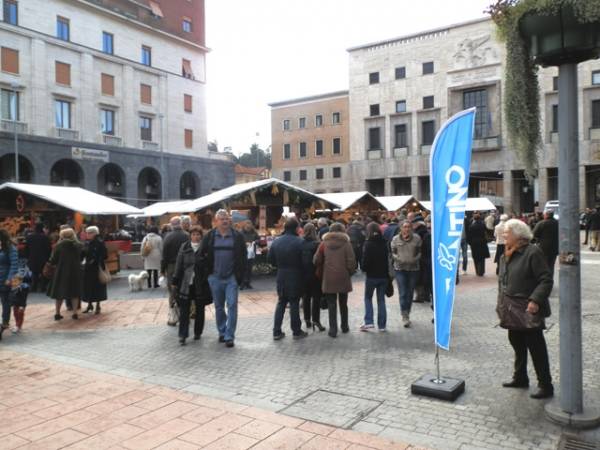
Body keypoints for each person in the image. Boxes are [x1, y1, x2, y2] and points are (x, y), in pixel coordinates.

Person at [497, 219, 554, 399]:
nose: (504, 235)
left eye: (507, 232)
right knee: (517, 344)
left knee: (536, 348)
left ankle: (546, 385)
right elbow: (503, 281)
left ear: (518, 235)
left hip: (528, 309)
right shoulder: (505, 254)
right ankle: (520, 377)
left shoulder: (533, 252)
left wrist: (535, 300)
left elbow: (546, 279)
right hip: (511, 309)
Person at [201, 209, 246, 348]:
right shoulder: (209, 236)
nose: (225, 221)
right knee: (219, 307)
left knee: (232, 305)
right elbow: (201, 254)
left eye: (226, 218)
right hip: (215, 277)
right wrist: (207, 273)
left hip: (231, 277)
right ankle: (222, 331)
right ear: (216, 221)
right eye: (222, 219)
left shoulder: (237, 236)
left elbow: (243, 257)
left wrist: (240, 276)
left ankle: (229, 335)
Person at [171, 225, 212, 346]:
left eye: (198, 234)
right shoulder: (184, 247)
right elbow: (179, 264)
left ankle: (198, 332)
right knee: (184, 310)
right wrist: (175, 281)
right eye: (193, 234)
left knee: (200, 309)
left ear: (201, 236)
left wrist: (206, 275)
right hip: (186, 283)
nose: (196, 237)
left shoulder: (205, 248)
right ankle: (183, 335)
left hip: (200, 283)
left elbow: (210, 264)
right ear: (190, 236)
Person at [314, 222, 356, 338]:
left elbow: (316, 260)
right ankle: (345, 326)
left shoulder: (323, 243)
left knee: (331, 304)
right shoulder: (347, 243)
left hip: (329, 278)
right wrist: (349, 273)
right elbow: (351, 262)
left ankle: (333, 330)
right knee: (343, 303)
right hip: (343, 277)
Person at [269, 218, 308, 340]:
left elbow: (270, 260)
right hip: (296, 275)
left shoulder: (276, 241)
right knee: (294, 303)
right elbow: (305, 262)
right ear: (296, 228)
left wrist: (279, 266)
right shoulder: (300, 242)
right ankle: (296, 331)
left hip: (281, 275)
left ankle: (276, 331)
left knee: (281, 302)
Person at [47, 228, 84, 320]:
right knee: (74, 292)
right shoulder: (79, 245)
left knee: (59, 293)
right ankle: (75, 313)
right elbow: (82, 258)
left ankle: (57, 313)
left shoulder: (58, 246)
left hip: (61, 271)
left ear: (62, 236)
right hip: (75, 271)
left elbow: (53, 260)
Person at [360, 222, 391, 332]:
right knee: (381, 300)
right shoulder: (384, 242)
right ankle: (382, 325)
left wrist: (363, 268)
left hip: (371, 276)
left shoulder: (368, 244)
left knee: (368, 298)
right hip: (383, 276)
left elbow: (365, 261)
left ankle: (368, 322)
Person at [391, 221, 422, 328]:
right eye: (404, 227)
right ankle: (404, 315)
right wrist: (398, 259)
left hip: (413, 269)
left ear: (411, 228)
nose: (407, 229)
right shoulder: (395, 239)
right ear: (401, 228)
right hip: (400, 269)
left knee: (410, 293)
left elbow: (420, 252)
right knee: (403, 292)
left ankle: (407, 312)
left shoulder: (417, 238)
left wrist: (415, 259)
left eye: (409, 227)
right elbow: (393, 252)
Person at [161, 216, 190, 326]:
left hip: (172, 267)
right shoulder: (187, 236)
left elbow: (164, 256)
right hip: (185, 266)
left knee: (172, 291)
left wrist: (162, 269)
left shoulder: (168, 237)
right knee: (185, 290)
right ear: (181, 224)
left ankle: (173, 317)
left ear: (171, 225)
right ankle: (185, 315)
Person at [300, 223, 324, 332]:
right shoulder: (317, 244)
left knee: (306, 297)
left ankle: (307, 319)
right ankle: (316, 320)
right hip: (315, 274)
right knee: (316, 298)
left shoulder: (300, 243)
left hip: (303, 274)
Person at [81, 226, 108, 314]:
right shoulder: (87, 242)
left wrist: (96, 259)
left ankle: (97, 306)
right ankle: (89, 304)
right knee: (88, 287)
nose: (87, 235)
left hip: (97, 268)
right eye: (87, 233)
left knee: (97, 287)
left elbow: (104, 255)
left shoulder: (100, 242)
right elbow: (83, 254)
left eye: (89, 233)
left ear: (94, 233)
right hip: (88, 268)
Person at [25, 223, 51, 293]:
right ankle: (43, 287)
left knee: (34, 273)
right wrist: (48, 258)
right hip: (43, 258)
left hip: (32, 258)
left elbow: (26, 249)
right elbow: (48, 249)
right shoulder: (45, 237)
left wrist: (28, 257)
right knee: (43, 273)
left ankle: (34, 287)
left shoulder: (29, 237)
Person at [0, 229, 18, 331]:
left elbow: (14, 265)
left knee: (5, 301)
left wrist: (10, 278)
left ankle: (5, 322)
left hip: (5, 279)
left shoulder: (11, 248)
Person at [532, 211, 559, 275]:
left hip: (543, 248)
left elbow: (534, 234)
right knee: (551, 265)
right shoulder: (557, 223)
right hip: (555, 247)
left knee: (543, 265)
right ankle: (550, 279)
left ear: (546, 215)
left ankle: (545, 280)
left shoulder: (541, 223)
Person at [240, 221, 259, 290]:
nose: (248, 228)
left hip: (251, 253)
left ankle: (248, 282)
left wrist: (255, 242)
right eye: (247, 227)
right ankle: (242, 283)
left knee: (249, 268)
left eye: (249, 226)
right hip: (243, 253)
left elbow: (258, 239)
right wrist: (245, 243)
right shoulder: (241, 233)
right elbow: (238, 241)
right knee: (243, 268)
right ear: (244, 226)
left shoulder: (254, 232)